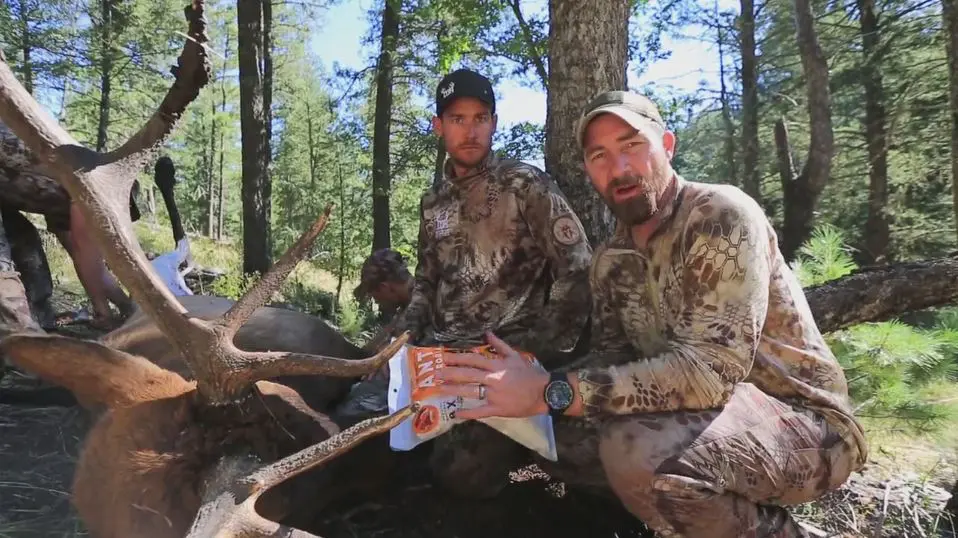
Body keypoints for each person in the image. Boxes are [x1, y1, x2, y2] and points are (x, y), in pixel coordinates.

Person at [434, 90, 868, 538]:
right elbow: (612, 359)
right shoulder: (611, 260)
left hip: (806, 426)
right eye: (599, 156)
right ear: (588, 170)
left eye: (632, 145)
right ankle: (674, 516)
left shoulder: (719, 216)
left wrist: (551, 391)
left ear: (667, 146)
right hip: (697, 417)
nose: (619, 168)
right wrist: (521, 381)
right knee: (560, 440)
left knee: (637, 452)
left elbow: (710, 374)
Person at [336, 68, 595, 499]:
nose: (470, 130)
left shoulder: (524, 185)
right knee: (350, 422)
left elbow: (579, 267)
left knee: (457, 472)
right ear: (438, 126)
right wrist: (403, 339)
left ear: (494, 123)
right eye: (457, 119)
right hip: (435, 353)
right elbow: (426, 280)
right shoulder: (433, 202)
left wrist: (535, 350)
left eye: (480, 118)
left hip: (501, 357)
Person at [0, 121, 137, 330]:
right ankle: (18, 328)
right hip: (38, 192)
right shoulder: (83, 183)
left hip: (69, 188)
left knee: (62, 250)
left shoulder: (64, 192)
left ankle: (43, 320)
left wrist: (122, 308)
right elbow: (84, 252)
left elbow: (86, 258)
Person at [353, 248, 413, 324]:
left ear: (384, 288)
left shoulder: (422, 308)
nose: (376, 302)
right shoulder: (406, 306)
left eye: (375, 297)